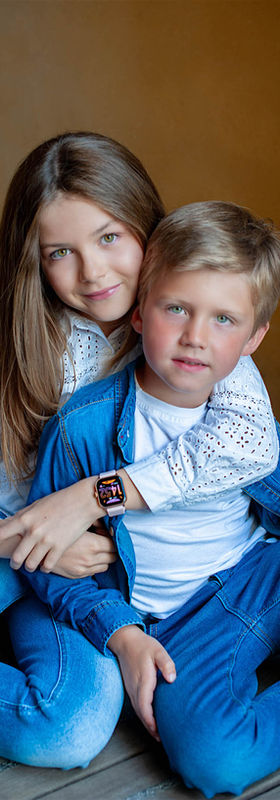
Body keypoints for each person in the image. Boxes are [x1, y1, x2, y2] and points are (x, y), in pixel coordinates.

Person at [0, 133, 277, 769]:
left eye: (109, 237)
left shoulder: (194, 328)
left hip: (128, 563)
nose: (93, 273)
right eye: (60, 252)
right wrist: (32, 542)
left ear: (148, 229)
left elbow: (248, 447)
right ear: (34, 263)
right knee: (67, 727)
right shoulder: (37, 365)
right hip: (42, 562)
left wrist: (90, 497)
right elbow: (37, 535)